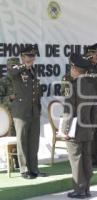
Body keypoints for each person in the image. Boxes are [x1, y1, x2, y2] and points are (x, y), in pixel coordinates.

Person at [8, 45, 46, 179]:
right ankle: (24, 169)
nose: (32, 58)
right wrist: (25, 65)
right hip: (22, 111)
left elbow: (36, 92)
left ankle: (34, 168)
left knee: (33, 141)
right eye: (29, 56)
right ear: (22, 57)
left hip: (34, 111)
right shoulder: (17, 69)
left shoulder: (32, 71)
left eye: (33, 56)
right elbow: (11, 73)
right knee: (22, 140)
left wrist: (39, 108)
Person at [61, 53, 95, 198]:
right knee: (86, 158)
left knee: (76, 159)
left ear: (74, 68)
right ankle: (86, 189)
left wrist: (65, 130)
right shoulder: (90, 85)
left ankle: (79, 190)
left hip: (75, 128)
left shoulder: (73, 86)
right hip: (87, 126)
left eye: (71, 67)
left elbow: (69, 110)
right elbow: (93, 108)